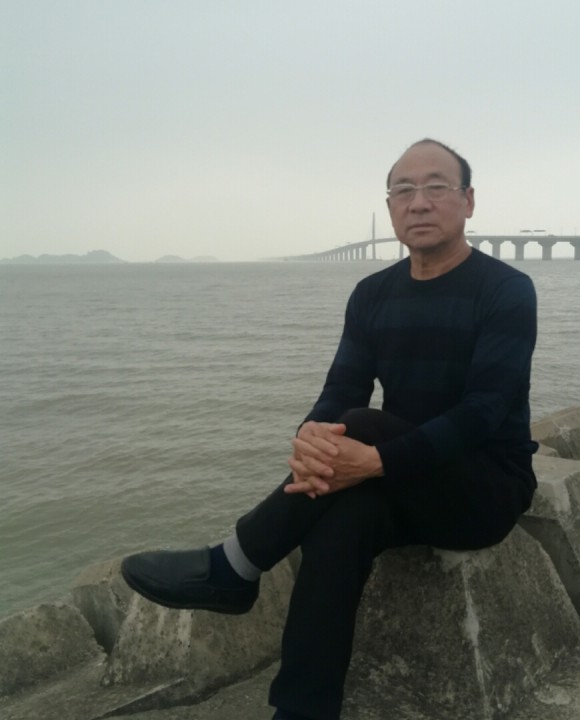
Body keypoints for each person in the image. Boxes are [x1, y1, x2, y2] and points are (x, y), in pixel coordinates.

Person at [121, 138, 538, 720]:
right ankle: (303, 709)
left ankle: (235, 564)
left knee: (360, 426)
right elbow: (340, 391)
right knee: (340, 517)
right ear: (389, 207)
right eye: (403, 190)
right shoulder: (372, 294)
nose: (419, 202)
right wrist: (310, 440)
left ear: (468, 201)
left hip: (484, 488)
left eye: (436, 187)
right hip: (403, 483)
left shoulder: (505, 290)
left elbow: (483, 413)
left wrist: (375, 461)